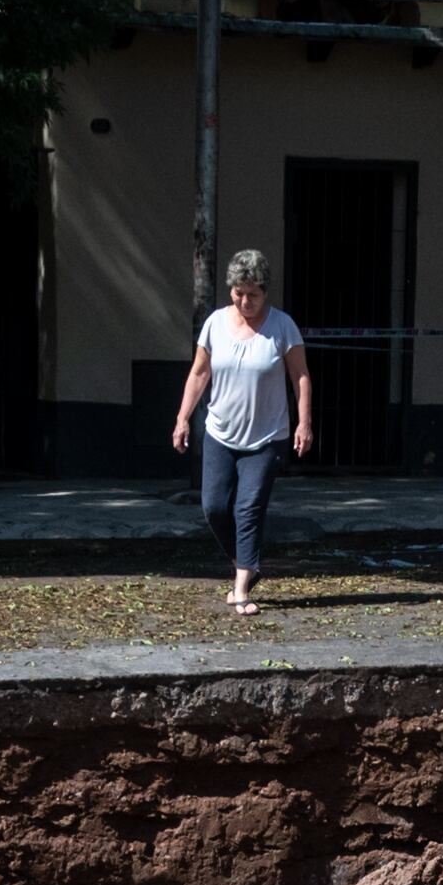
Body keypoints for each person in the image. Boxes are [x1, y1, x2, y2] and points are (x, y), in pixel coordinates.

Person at [168, 251, 314, 613]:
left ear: (266, 293)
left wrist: (305, 422)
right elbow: (200, 373)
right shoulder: (215, 324)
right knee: (215, 507)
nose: (245, 301)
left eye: (253, 295)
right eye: (238, 293)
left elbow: (300, 376)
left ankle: (241, 588)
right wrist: (183, 417)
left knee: (248, 508)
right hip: (219, 432)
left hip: (266, 437)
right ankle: (247, 562)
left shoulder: (283, 327)